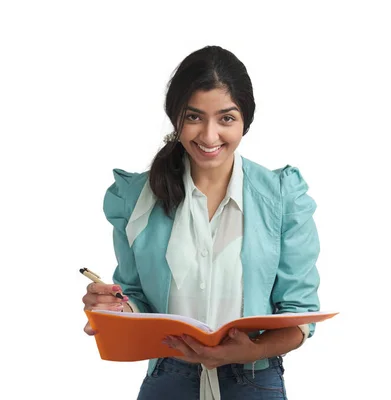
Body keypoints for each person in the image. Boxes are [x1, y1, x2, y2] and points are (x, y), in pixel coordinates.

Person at [81, 45, 321, 400]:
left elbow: (300, 315)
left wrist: (250, 351)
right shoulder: (134, 198)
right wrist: (114, 308)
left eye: (226, 119)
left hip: (255, 380)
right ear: (176, 117)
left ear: (245, 122)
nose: (209, 137)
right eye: (194, 117)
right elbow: (135, 298)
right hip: (168, 379)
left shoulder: (283, 197)